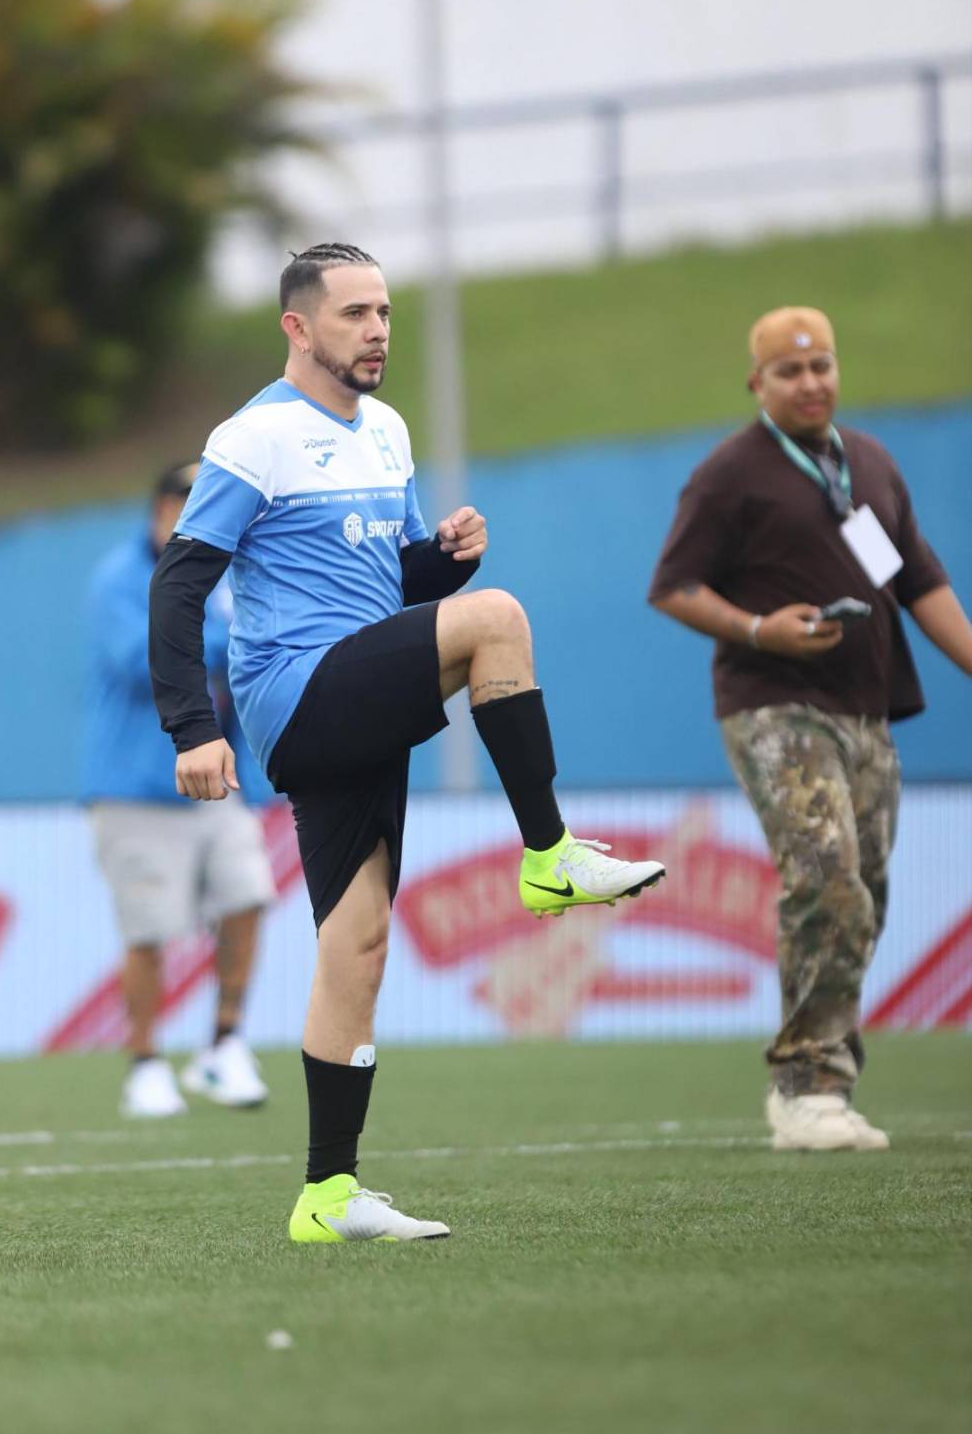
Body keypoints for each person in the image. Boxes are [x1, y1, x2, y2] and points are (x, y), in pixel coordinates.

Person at [150, 242, 665, 1243]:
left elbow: (395, 588)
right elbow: (178, 586)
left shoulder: (385, 431)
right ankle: (550, 856)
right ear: (299, 329)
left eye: (385, 310)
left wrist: (444, 560)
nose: (378, 328)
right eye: (354, 313)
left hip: (359, 690)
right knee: (501, 620)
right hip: (297, 695)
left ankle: (326, 1196)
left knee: (358, 946)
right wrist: (193, 728)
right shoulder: (254, 438)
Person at [649, 306, 972, 1152]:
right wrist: (762, 630)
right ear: (757, 385)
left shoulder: (869, 463)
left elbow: (920, 582)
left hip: (867, 706)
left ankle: (827, 1075)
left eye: (821, 365)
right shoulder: (730, 474)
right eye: (788, 372)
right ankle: (805, 1088)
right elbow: (673, 587)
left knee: (864, 893)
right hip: (772, 705)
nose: (810, 382)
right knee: (825, 875)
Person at [85, 463, 275, 1119]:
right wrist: (230, 636)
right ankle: (144, 1064)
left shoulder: (225, 571)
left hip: (220, 782)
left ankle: (223, 1044)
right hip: (138, 789)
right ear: (163, 507)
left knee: (250, 894)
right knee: (150, 930)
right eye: (192, 499)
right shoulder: (120, 576)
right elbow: (140, 660)